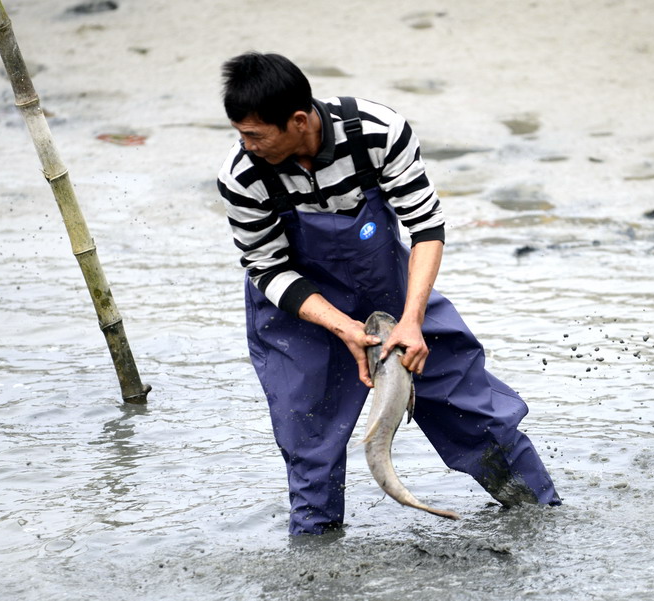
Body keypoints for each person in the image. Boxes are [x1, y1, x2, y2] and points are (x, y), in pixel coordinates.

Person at [216, 52, 560, 535]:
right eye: (240, 134)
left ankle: (543, 519)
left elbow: (426, 227)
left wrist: (412, 321)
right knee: (310, 439)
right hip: (301, 311)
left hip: (391, 290)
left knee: (469, 404)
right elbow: (267, 268)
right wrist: (343, 328)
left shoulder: (377, 131)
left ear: (297, 120)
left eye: (254, 135)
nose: (246, 146)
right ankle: (318, 561)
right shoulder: (243, 177)